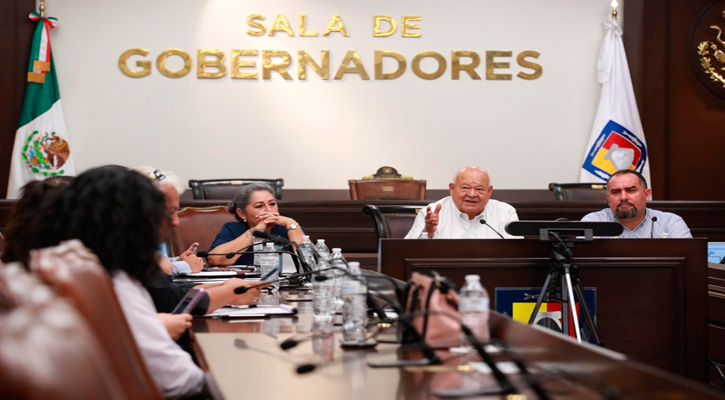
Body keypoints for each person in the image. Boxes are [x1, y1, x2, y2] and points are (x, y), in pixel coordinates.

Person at [18, 166, 207, 398]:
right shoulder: (103, 276)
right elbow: (178, 381)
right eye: (159, 214)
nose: (173, 223)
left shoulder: (63, 266)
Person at [405, 166, 519, 239]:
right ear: (452, 188)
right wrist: (428, 233)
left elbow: (515, 252)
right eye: (465, 188)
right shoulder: (431, 213)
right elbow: (408, 252)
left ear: (489, 191)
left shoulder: (505, 212)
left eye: (479, 189)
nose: (472, 194)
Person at [209, 183, 304, 266]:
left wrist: (291, 223)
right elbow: (215, 260)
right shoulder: (232, 229)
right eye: (259, 206)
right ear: (241, 213)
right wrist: (254, 232)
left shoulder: (288, 228)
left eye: (272, 204)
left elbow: (307, 262)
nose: (269, 210)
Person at [581, 170, 692, 238]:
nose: (623, 197)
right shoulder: (594, 221)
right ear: (609, 199)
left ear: (647, 194)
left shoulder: (670, 222)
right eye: (616, 192)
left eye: (631, 190)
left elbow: (688, 259)